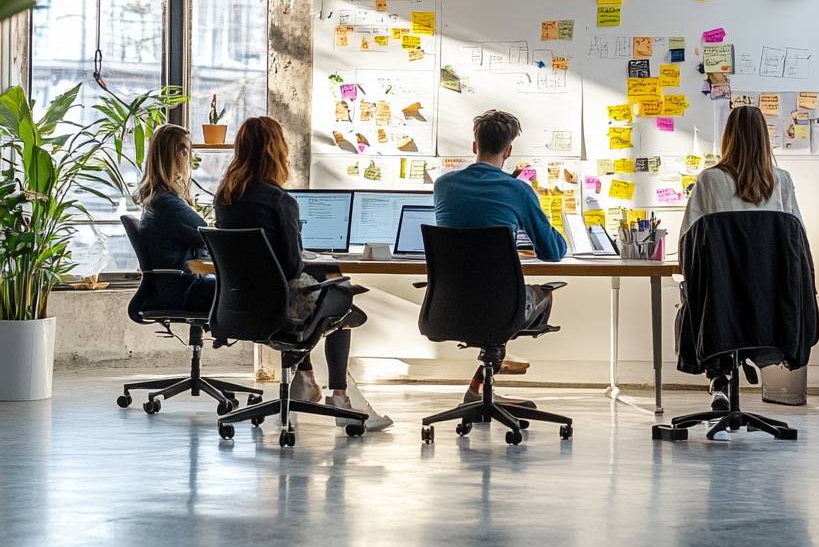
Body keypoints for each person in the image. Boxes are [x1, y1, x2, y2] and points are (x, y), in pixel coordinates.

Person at [214, 116, 392, 431]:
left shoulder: (224, 198)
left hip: (238, 304)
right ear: (276, 151)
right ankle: (339, 398)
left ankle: (306, 377)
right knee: (341, 292)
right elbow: (293, 266)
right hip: (281, 305)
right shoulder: (280, 200)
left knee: (324, 288)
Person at [433, 109, 566, 405]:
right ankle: (480, 387)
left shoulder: (444, 186)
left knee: (499, 301)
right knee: (537, 295)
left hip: (448, 304)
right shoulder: (518, 190)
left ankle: (477, 388)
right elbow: (553, 252)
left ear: (474, 146)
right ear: (508, 151)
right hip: (502, 306)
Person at [678, 104, 805, 412]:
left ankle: (719, 377)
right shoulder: (782, 181)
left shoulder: (709, 180)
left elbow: (687, 245)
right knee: (730, 298)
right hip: (770, 298)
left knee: (706, 296)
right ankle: (729, 370)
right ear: (764, 138)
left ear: (728, 138)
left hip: (724, 298)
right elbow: (797, 244)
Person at [135, 124, 216, 314]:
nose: (188, 158)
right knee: (246, 291)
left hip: (174, 288)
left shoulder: (156, 199)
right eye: (186, 151)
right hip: (185, 290)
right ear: (178, 154)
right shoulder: (166, 202)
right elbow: (205, 235)